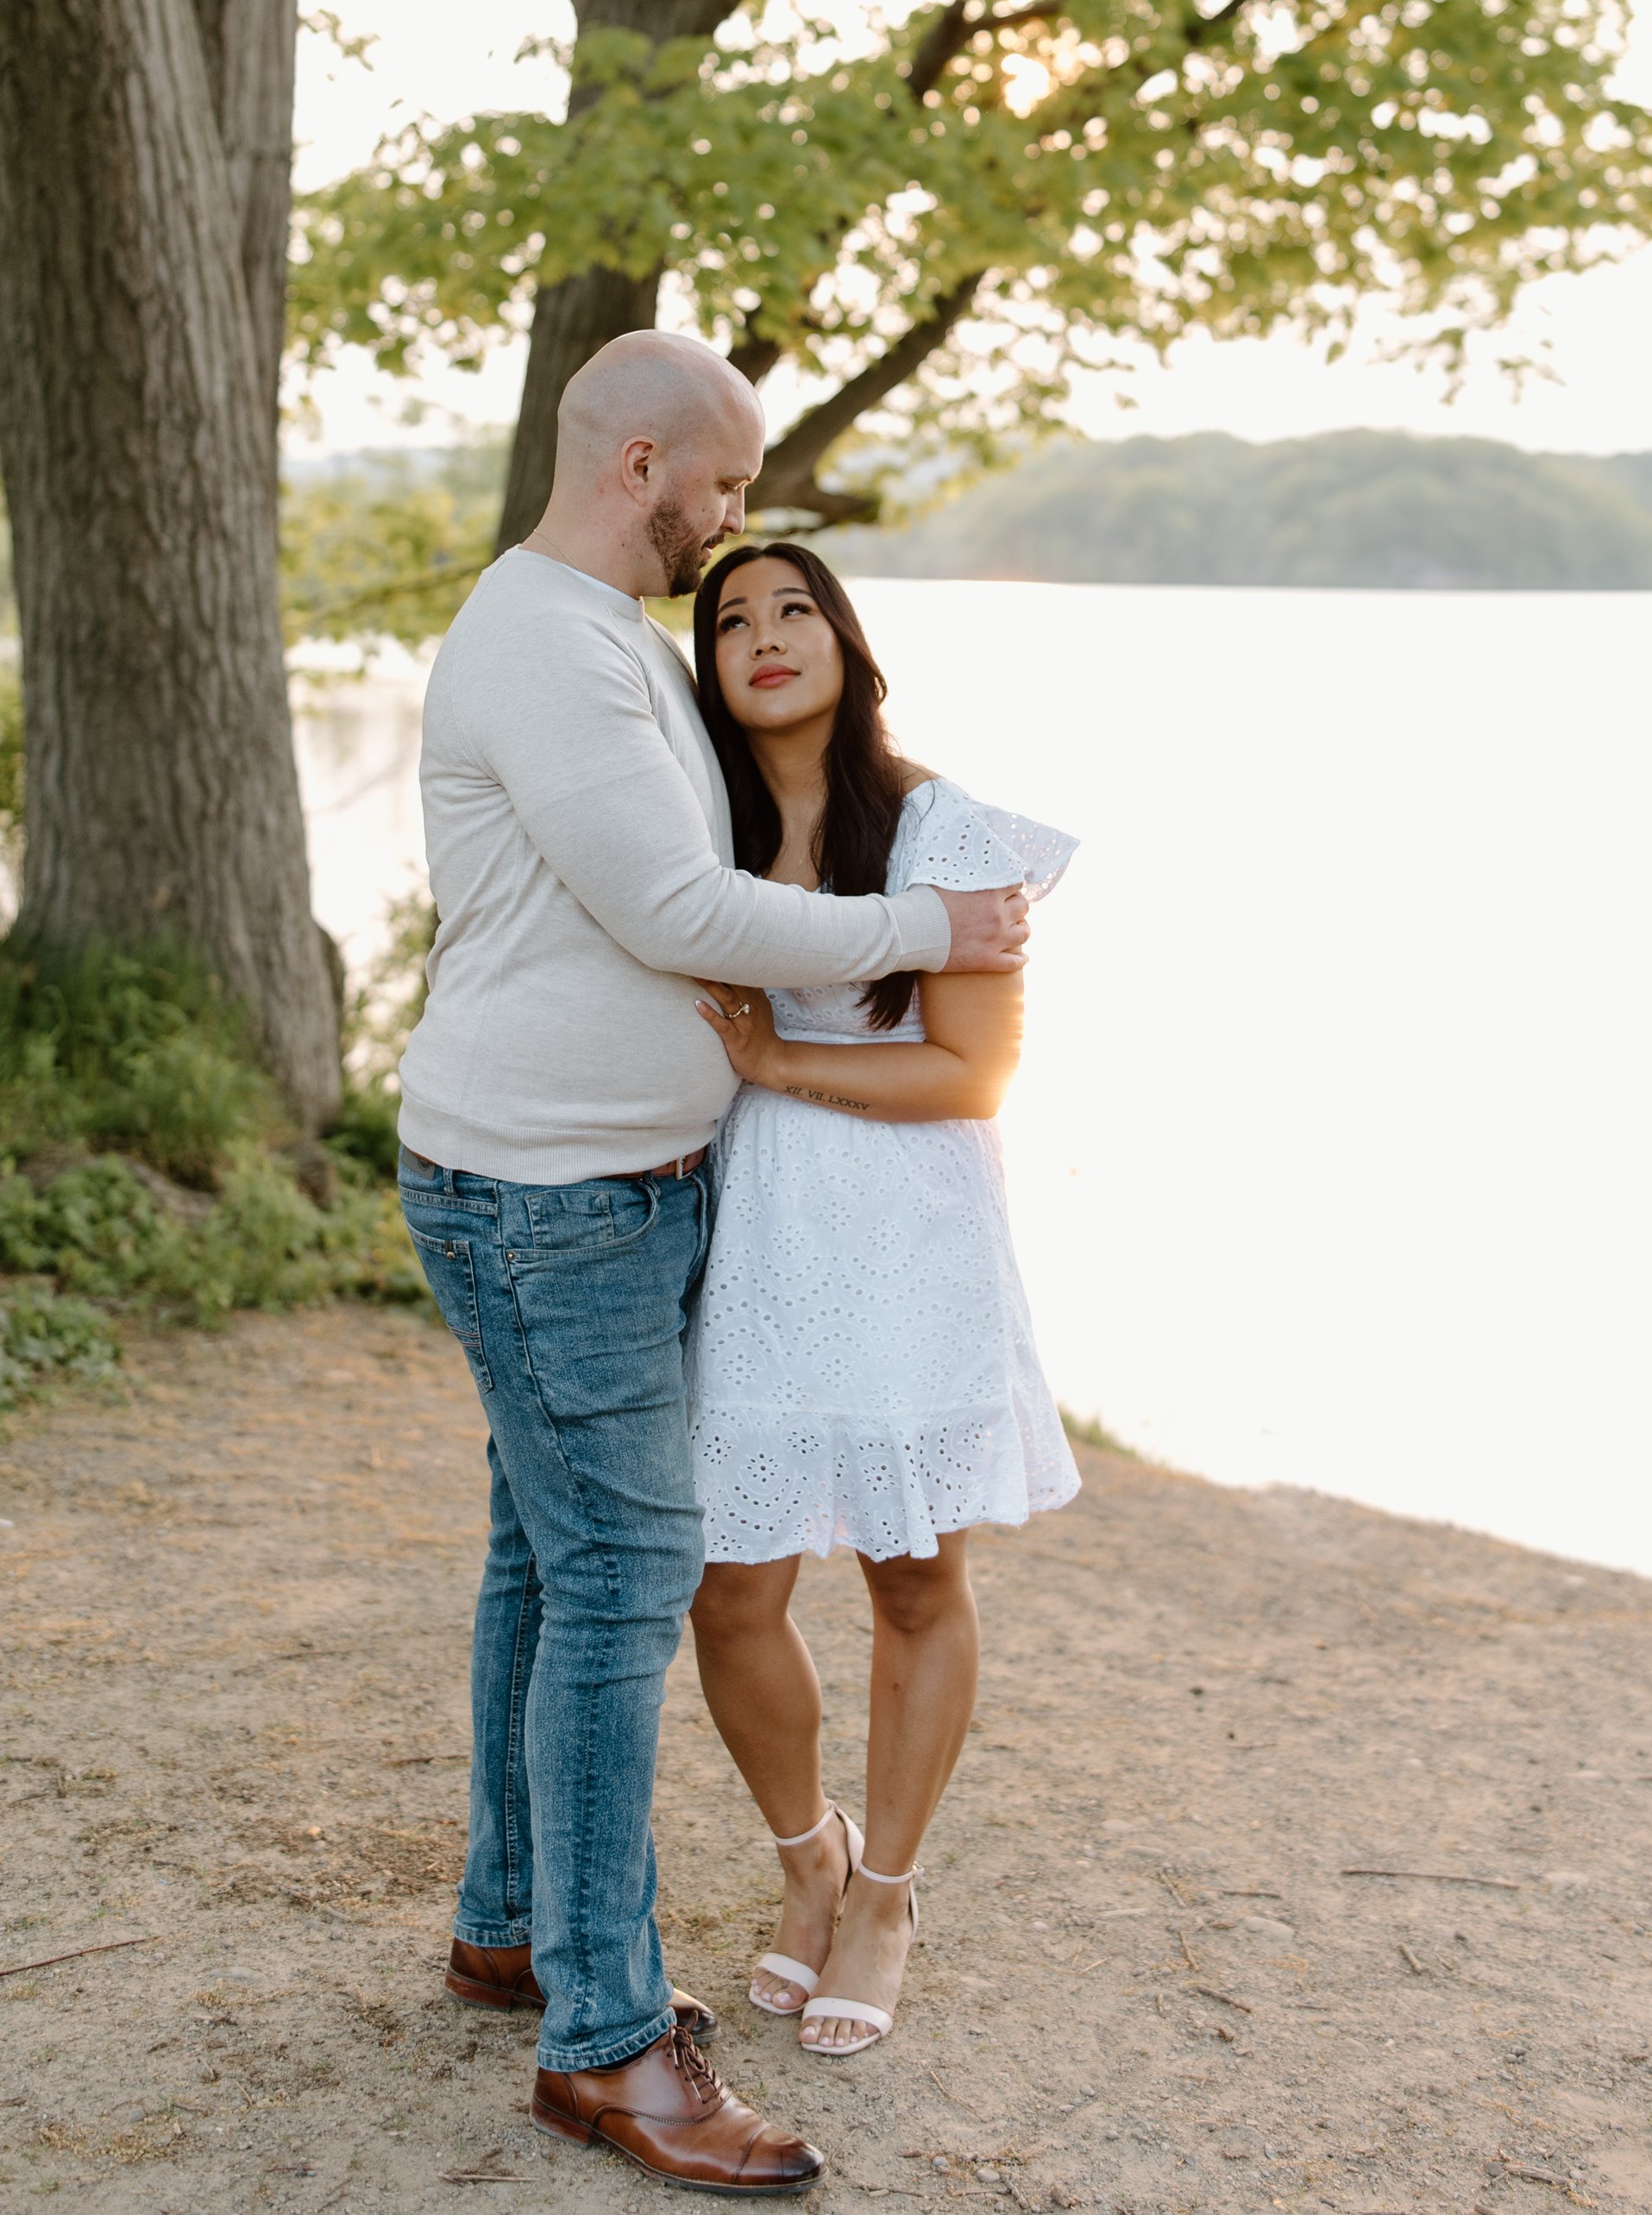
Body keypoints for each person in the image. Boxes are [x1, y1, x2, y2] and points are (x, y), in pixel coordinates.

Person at [396, 333, 1030, 2196]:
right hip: (546, 1193)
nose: (732, 523)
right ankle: (604, 2039)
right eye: (727, 490)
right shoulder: (541, 643)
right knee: (622, 1582)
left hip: (616, 1183)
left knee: (545, 1554)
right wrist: (937, 918)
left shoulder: (605, 644)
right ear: (647, 460)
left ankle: (510, 1926)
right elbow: (671, 909)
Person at [682, 539, 1079, 2060]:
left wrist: (779, 1062)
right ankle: (809, 1859)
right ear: (708, 666)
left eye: (796, 609)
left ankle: (889, 1894)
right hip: (753, 1235)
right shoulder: (696, 826)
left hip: (908, 1234)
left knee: (915, 1580)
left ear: (847, 642)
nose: (766, 636)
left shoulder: (937, 826)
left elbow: (974, 1069)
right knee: (734, 1586)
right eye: (731, 618)